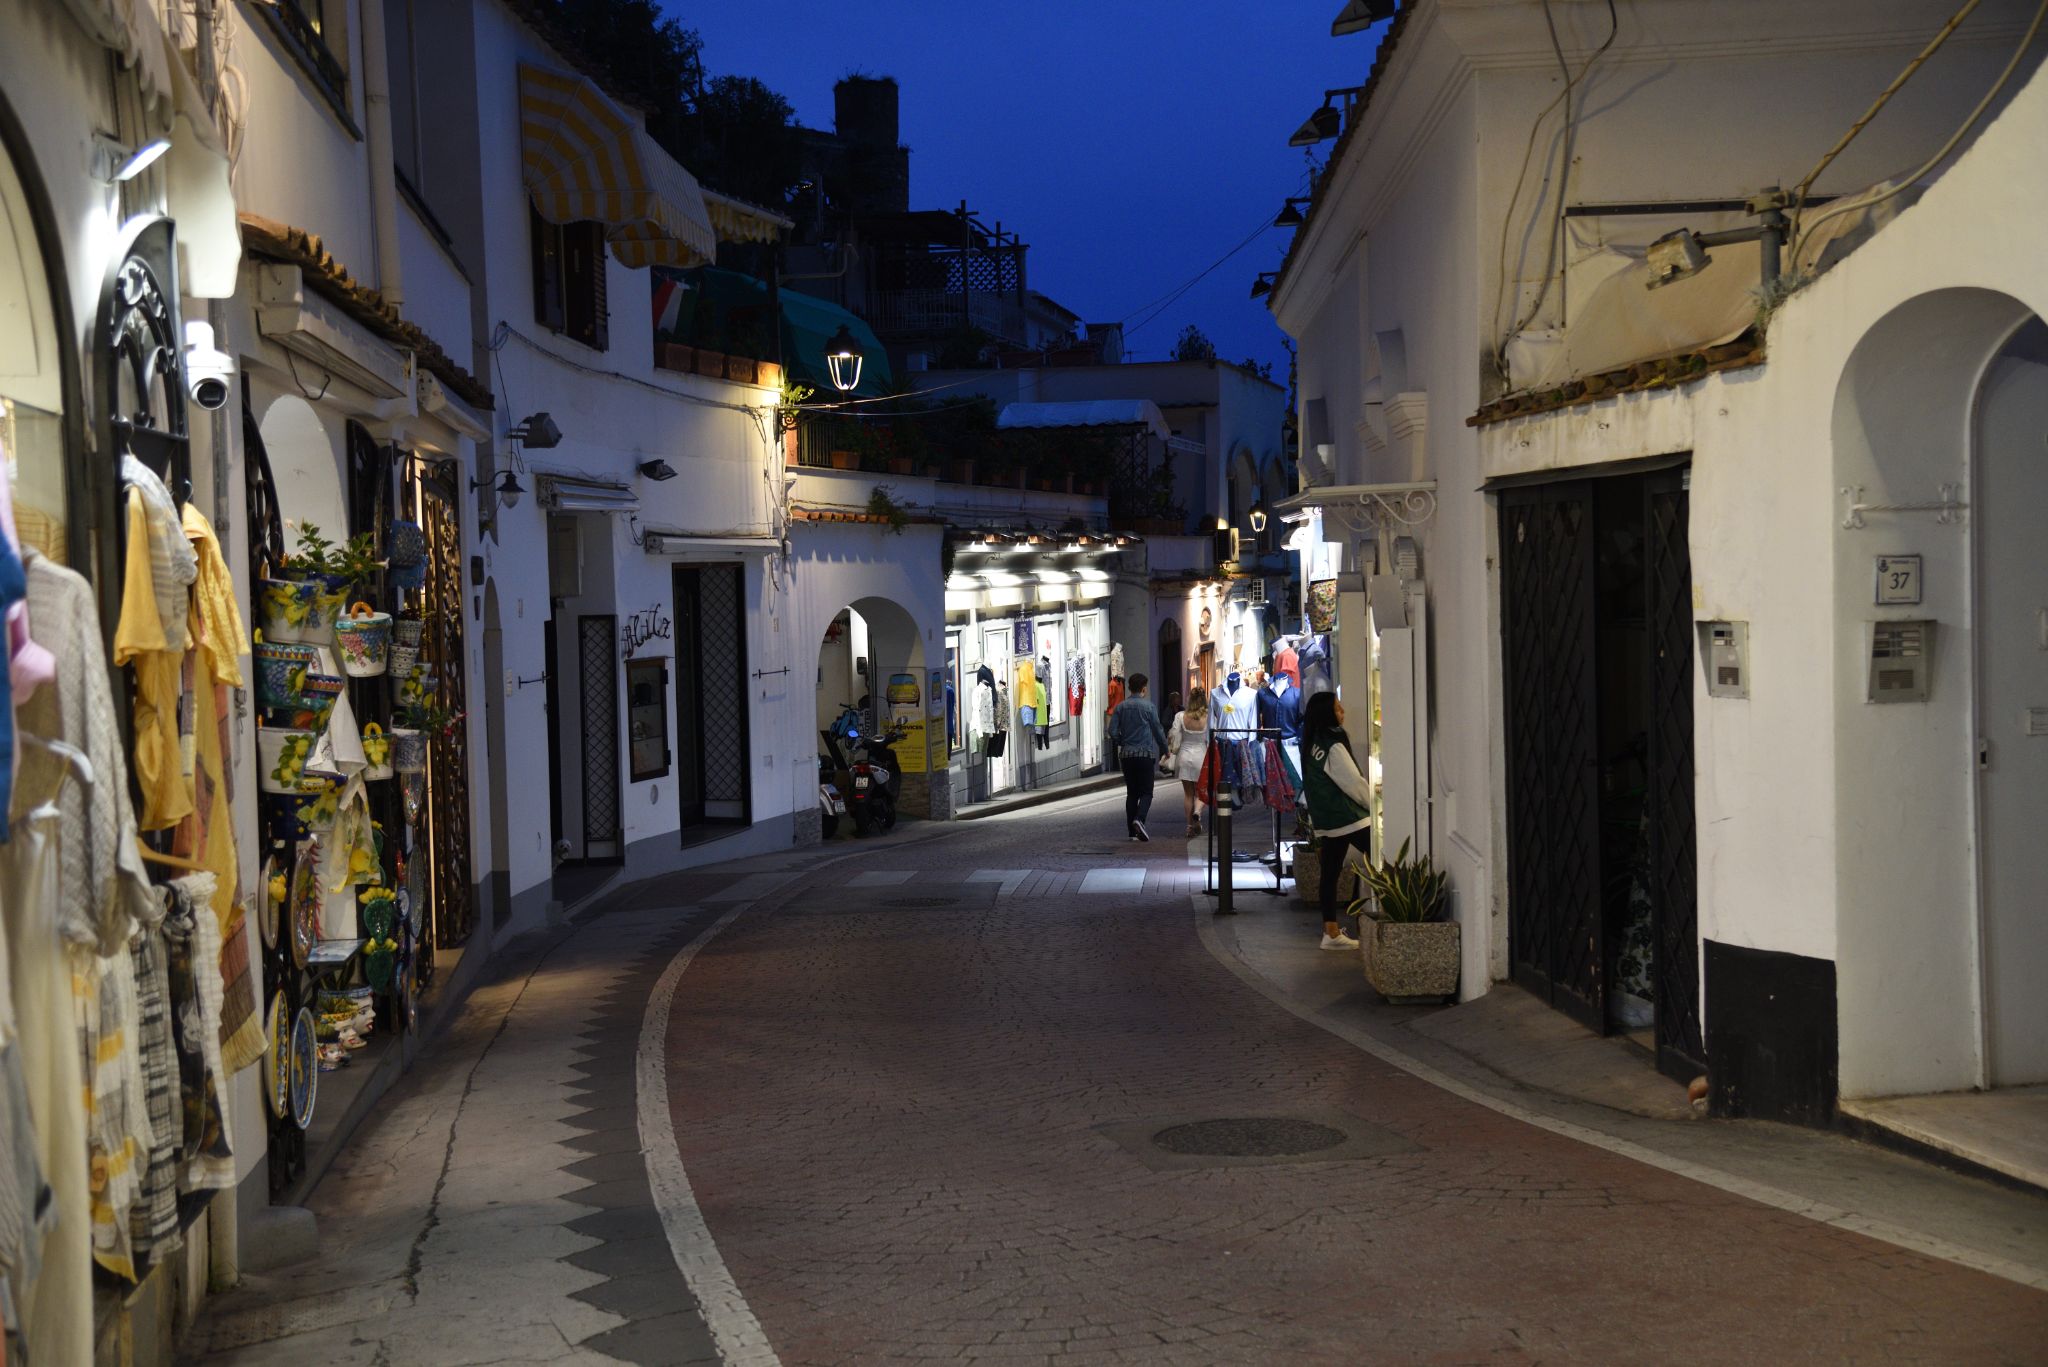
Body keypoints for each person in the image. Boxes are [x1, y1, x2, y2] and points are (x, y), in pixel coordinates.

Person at [1300, 691, 1367, 951]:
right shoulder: (1333, 745)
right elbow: (1353, 784)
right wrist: (1374, 804)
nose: (1343, 712)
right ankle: (1373, 915)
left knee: (1330, 872)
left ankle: (1331, 931)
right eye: (1338, 708)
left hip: (1328, 819)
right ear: (1327, 714)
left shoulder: (1313, 742)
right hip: (1348, 817)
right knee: (1385, 857)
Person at [1107, 671, 1169, 841]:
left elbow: (1112, 731)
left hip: (1127, 755)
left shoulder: (1120, 707)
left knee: (1132, 793)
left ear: (1129, 688)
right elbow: (1158, 731)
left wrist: (1122, 741)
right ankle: (1139, 819)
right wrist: (1165, 749)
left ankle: (1132, 832)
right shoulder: (1149, 707)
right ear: (1143, 688)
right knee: (1147, 791)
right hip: (1145, 755)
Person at [1163, 685, 1211, 837]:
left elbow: (1173, 735)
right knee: (1201, 791)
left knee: (1188, 794)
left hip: (1184, 756)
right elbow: (1212, 738)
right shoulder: (1208, 716)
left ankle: (1189, 827)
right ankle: (1197, 811)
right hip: (1201, 756)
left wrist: (1171, 749)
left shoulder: (1180, 716)